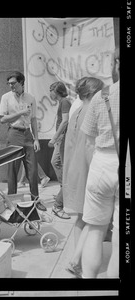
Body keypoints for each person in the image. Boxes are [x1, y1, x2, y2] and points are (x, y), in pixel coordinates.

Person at [80, 48, 120, 278]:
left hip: (101, 162)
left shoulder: (101, 95)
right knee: (120, 234)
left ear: (116, 64)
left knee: (95, 229)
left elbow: (88, 141)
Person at [62, 77, 104, 278]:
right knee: (92, 218)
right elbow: (90, 147)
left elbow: (69, 146)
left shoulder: (76, 112)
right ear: (91, 93)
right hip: (88, 169)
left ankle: (76, 258)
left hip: (75, 169)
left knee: (81, 217)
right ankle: (77, 260)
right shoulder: (93, 112)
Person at [0, 71, 46, 211]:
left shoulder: (30, 98)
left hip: (28, 135)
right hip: (14, 133)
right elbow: (2, 119)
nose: (11, 86)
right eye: (9, 83)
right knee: (12, 169)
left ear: (21, 82)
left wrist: (36, 139)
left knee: (32, 169)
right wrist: (19, 113)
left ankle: (35, 200)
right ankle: (11, 201)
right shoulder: (5, 97)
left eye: (13, 83)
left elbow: (33, 119)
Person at [48, 81, 72, 219]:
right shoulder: (62, 102)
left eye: (50, 90)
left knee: (59, 163)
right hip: (60, 139)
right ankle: (63, 190)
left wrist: (54, 138)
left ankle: (61, 199)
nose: (49, 93)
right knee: (55, 162)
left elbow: (65, 121)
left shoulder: (64, 102)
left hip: (62, 139)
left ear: (55, 91)